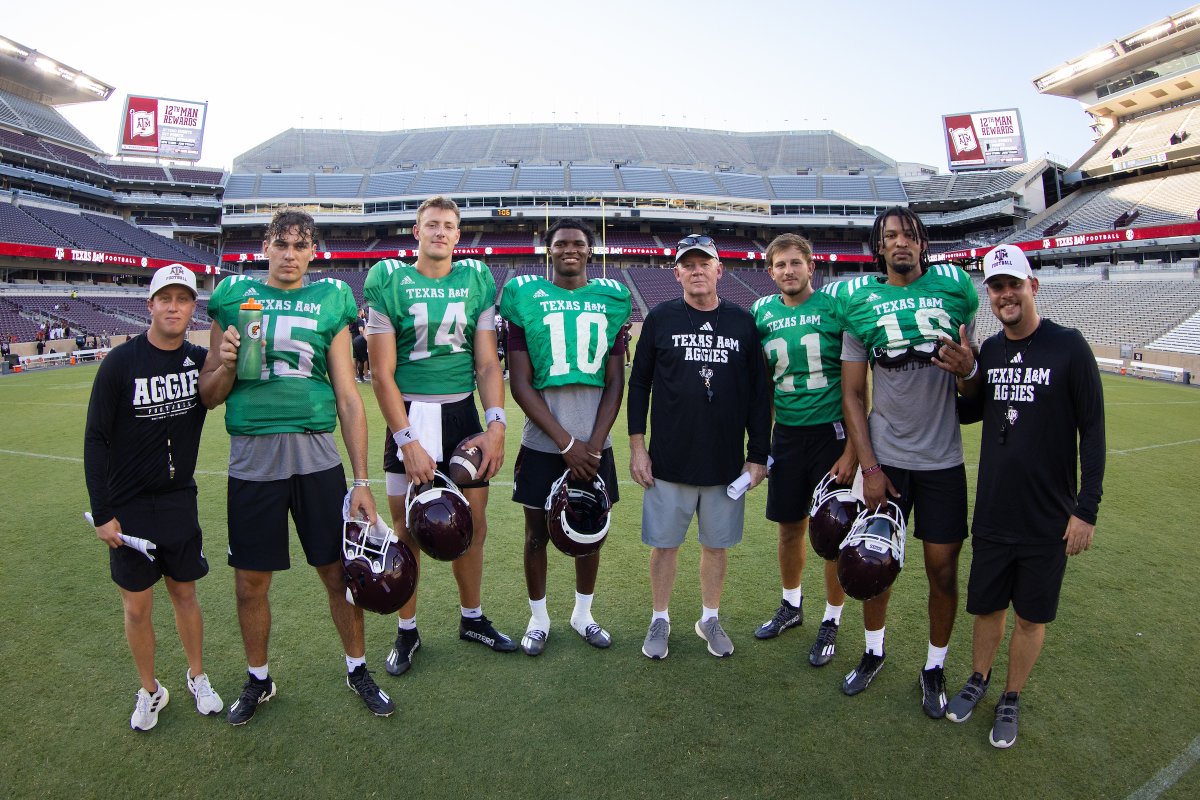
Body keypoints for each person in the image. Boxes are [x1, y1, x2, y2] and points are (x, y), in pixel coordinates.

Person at [199, 209, 391, 724]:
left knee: (338, 574)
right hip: (252, 461)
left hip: (316, 458)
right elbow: (209, 395)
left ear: (313, 252)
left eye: (300, 245)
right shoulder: (232, 297)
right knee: (250, 583)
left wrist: (362, 482)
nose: (289, 253)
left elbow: (349, 398)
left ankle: (357, 668)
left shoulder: (329, 300)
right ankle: (258, 679)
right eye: (281, 243)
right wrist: (225, 361)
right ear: (266, 245)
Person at [945, 245, 1105, 748]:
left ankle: (1010, 698)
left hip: (1049, 516)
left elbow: (1094, 431)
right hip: (994, 507)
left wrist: (1086, 509)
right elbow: (971, 414)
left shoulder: (1069, 346)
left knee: (1031, 616)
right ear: (989, 296)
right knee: (987, 607)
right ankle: (978, 679)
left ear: (1032, 286)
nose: (1005, 294)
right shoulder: (990, 351)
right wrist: (966, 374)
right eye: (996, 286)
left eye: (1014, 283)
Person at [364, 195, 514, 677]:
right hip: (408, 412)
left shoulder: (475, 279)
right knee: (407, 529)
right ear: (416, 231)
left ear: (458, 234)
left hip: (461, 414)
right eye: (432, 224)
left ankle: (471, 618)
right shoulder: (390, 280)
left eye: (449, 225)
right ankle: (407, 630)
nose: (441, 232)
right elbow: (382, 374)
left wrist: (495, 424)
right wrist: (406, 439)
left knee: (472, 526)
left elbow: (488, 362)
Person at [839, 206, 979, 716]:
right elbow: (852, 395)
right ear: (879, 246)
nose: (901, 242)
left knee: (942, 572)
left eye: (909, 235)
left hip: (942, 458)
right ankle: (873, 652)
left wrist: (970, 370)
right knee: (875, 564)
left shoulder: (956, 292)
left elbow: (970, 385)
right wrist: (870, 467)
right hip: (888, 460)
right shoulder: (859, 306)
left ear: (922, 243)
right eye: (890, 235)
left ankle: (934, 665)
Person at [83, 263, 223, 731]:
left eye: (183, 299)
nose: (173, 306)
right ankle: (149, 690)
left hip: (179, 499)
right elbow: (95, 439)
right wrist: (103, 513)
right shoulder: (121, 363)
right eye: (165, 298)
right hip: (130, 506)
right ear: (150, 305)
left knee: (186, 594)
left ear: (191, 309)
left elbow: (225, 385)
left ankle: (197, 676)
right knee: (137, 606)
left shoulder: (199, 361)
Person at [628, 234, 771, 659]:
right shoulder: (659, 319)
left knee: (716, 544)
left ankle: (709, 616)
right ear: (676, 273)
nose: (695, 270)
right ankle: (660, 617)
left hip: (725, 462)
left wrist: (757, 454)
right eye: (687, 264)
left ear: (718, 270)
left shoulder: (743, 323)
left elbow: (759, 395)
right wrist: (638, 446)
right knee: (665, 544)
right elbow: (639, 386)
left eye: (703, 263)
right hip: (669, 459)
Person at [500, 218, 632, 656]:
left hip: (596, 445)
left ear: (590, 252)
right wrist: (566, 443)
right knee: (535, 533)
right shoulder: (525, 297)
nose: (569, 249)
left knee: (590, 530)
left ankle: (583, 614)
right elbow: (520, 383)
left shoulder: (611, 299)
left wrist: (592, 443)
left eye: (578, 243)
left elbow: (616, 382)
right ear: (548, 251)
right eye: (561, 244)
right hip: (544, 441)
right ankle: (538, 618)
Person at [751, 234, 856, 666]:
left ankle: (831, 617)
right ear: (770, 272)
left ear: (811, 267)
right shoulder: (761, 312)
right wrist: (769, 438)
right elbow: (762, 385)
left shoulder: (834, 308)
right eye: (780, 265)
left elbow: (857, 385)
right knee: (789, 526)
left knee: (834, 532)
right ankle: (791, 605)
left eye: (796, 262)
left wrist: (852, 450)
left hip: (832, 435)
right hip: (788, 436)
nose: (789, 270)